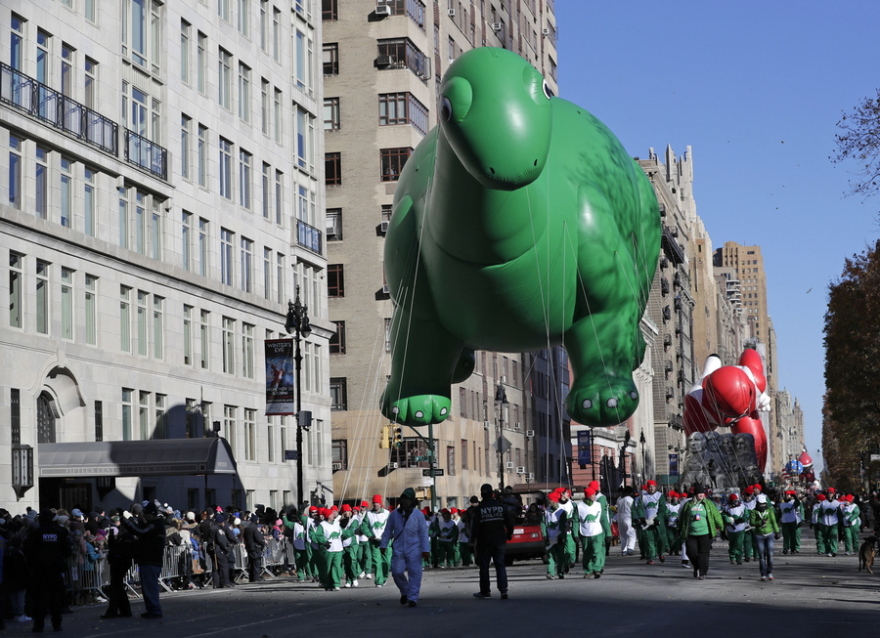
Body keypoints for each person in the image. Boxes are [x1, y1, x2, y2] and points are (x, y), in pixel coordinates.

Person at [379, 488, 430, 607]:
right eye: (403, 498)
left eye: (407, 499)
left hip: (414, 549)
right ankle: (405, 591)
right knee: (397, 572)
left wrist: (425, 549)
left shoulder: (418, 515)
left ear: (412, 500)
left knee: (415, 573)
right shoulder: (394, 515)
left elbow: (423, 533)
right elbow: (387, 531)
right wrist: (383, 544)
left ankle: (413, 598)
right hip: (399, 548)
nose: (405, 501)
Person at [24, 508, 72, 632]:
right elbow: (67, 551)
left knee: (40, 599)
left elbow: (28, 550)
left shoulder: (36, 533)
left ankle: (39, 625)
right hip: (55, 570)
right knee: (55, 598)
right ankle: (57, 624)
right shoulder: (59, 533)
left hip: (40, 571)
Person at [470, 483, 515, 599]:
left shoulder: (479, 509)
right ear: (492, 494)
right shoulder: (501, 507)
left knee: (484, 566)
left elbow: (475, 527)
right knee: (500, 565)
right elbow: (509, 522)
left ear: (481, 494)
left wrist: (471, 541)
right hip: (499, 539)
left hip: (484, 541)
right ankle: (503, 590)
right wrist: (509, 534)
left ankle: (485, 591)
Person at [122, 501, 166, 618]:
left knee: (150, 586)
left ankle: (154, 610)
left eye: (146, 514)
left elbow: (140, 532)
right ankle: (152, 608)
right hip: (150, 559)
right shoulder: (156, 524)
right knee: (148, 586)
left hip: (151, 559)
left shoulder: (154, 525)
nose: (144, 516)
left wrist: (127, 521)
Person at [679, 484, 722, 580]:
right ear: (695, 494)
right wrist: (679, 528)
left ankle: (703, 572)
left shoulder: (709, 504)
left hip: (705, 533)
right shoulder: (688, 504)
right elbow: (682, 518)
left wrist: (721, 526)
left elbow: (716, 515)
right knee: (691, 552)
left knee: (704, 553)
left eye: (702, 493)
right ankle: (697, 566)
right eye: (699, 493)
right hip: (691, 533)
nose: (701, 495)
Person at [575, 488, 607, 578]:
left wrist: (608, 532)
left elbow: (603, 519)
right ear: (588, 496)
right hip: (585, 532)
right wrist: (575, 534)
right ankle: (588, 570)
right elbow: (575, 521)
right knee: (587, 552)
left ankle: (597, 569)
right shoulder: (579, 506)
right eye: (592, 495)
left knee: (596, 550)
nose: (594, 496)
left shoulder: (598, 505)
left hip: (597, 532)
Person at [633, 480, 667, 564]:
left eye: (653, 487)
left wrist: (658, 518)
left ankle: (661, 553)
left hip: (657, 521)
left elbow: (663, 508)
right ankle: (651, 557)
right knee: (649, 539)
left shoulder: (660, 496)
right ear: (647, 488)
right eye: (650, 487)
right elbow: (639, 507)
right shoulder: (643, 496)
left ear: (656, 487)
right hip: (647, 521)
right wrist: (642, 517)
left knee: (661, 539)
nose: (651, 488)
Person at [361, 495, 391, 587]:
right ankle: (378, 581)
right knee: (377, 562)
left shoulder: (387, 513)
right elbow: (364, 526)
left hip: (386, 541)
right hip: (374, 541)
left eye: (377, 503)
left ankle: (384, 576)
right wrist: (370, 536)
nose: (375, 505)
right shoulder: (369, 514)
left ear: (380, 504)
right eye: (374, 503)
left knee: (387, 562)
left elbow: (392, 525)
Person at [749, 494, 781, 581]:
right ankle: (763, 574)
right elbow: (752, 522)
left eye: (764, 504)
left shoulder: (770, 510)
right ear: (757, 503)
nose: (762, 505)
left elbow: (774, 521)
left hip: (769, 534)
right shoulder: (753, 512)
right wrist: (760, 523)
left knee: (770, 554)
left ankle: (769, 572)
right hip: (759, 535)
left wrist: (777, 531)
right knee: (761, 555)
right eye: (761, 504)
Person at [542, 491, 569, 579]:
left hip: (559, 536)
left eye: (550, 500)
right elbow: (543, 523)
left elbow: (563, 526)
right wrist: (544, 534)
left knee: (560, 556)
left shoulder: (561, 512)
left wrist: (562, 536)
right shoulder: (547, 512)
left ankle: (560, 572)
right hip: (550, 538)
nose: (549, 502)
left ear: (554, 500)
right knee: (550, 556)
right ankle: (550, 573)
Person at [722, 493, 748, 565]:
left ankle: (739, 558)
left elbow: (746, 515)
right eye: (732, 501)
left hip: (740, 529)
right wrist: (727, 519)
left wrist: (741, 520)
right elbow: (723, 515)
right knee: (732, 543)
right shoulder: (726, 507)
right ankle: (732, 557)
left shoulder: (742, 506)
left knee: (739, 543)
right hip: (730, 529)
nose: (734, 503)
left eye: (735, 501)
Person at [241, 515, 267, 582]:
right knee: (256, 563)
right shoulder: (254, 528)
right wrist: (263, 543)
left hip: (249, 547)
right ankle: (256, 577)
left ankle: (251, 577)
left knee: (251, 563)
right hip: (255, 547)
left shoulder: (247, 527)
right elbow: (258, 538)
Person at [777, 490, 804, 554]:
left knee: (793, 536)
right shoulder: (782, 504)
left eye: (788, 495)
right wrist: (776, 521)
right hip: (784, 521)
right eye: (786, 495)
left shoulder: (793, 502)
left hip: (792, 521)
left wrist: (794, 496)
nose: (787, 496)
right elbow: (779, 513)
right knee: (786, 536)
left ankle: (793, 548)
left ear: (790, 496)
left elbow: (798, 503)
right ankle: (785, 548)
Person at [616, 486, 636, 556]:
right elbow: (633, 509)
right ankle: (630, 548)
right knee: (631, 533)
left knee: (623, 535)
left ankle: (623, 550)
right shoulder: (630, 499)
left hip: (620, 517)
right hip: (628, 517)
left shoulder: (619, 499)